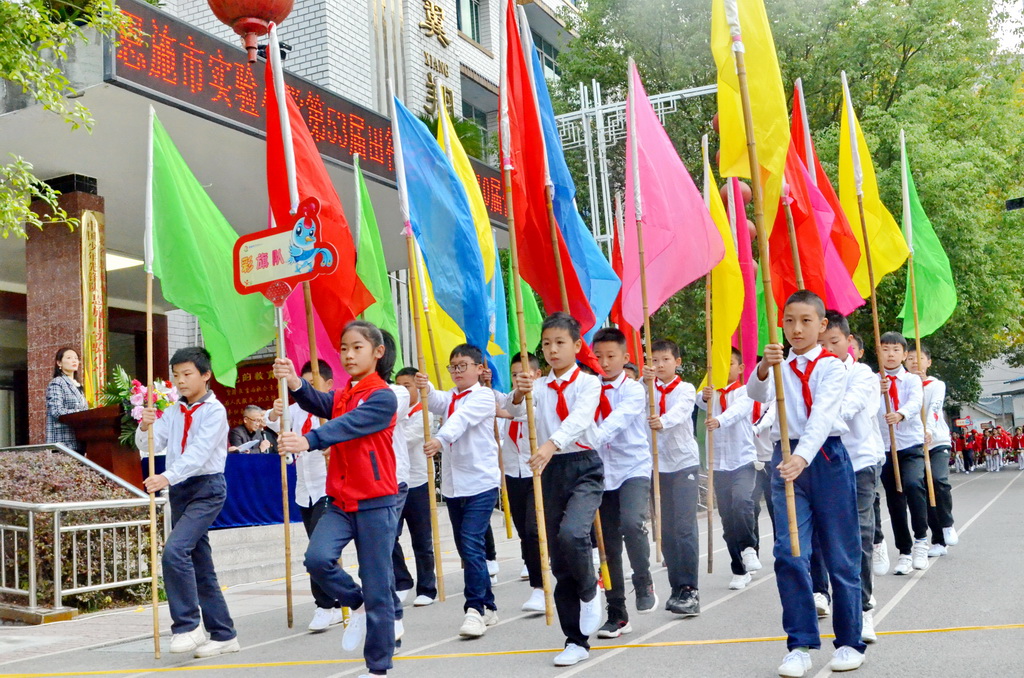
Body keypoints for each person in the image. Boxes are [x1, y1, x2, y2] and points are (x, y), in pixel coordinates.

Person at [746, 290, 865, 676]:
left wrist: (803, 457)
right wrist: (763, 367)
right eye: (789, 321)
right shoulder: (779, 363)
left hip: (825, 458)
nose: (796, 328)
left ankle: (849, 642)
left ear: (822, 325)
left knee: (840, 554)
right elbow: (756, 394)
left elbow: (823, 415)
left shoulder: (832, 366)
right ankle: (799, 644)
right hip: (786, 458)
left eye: (806, 321)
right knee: (789, 552)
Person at [275, 321, 399, 678]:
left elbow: (347, 424)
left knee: (378, 586)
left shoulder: (383, 396)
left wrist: (309, 440)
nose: (348, 355)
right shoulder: (345, 394)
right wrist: (294, 382)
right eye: (344, 348)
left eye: (357, 347)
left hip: (376, 501)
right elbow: (322, 402)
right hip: (340, 501)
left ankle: (378, 667)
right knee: (317, 559)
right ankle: (356, 604)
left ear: (377, 352)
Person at [506, 312, 604, 667]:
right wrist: (519, 393)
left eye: (560, 342)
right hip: (549, 473)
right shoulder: (538, 386)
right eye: (546, 343)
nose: (552, 350)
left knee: (573, 533)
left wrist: (551, 443)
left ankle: (590, 590)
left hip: (583, 466)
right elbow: (510, 411)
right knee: (557, 556)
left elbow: (579, 419)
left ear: (577, 346)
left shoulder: (589, 383)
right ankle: (575, 640)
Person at [136, 346, 239, 658]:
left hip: (206, 488)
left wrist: (166, 477)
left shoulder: (215, 412)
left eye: (187, 374)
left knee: (175, 551)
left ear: (205, 375)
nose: (180, 381)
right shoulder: (173, 411)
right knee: (200, 564)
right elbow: (148, 445)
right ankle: (224, 634)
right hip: (181, 491)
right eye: (176, 375)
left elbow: (199, 454)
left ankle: (188, 625)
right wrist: (145, 425)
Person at [416, 343, 500, 638]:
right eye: (453, 367)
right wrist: (425, 385)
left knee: (471, 542)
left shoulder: (484, 396)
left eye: (462, 366)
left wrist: (439, 439)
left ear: (479, 368)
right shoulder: (451, 396)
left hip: (481, 482)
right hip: (454, 486)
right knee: (467, 548)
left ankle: (474, 609)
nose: (457, 371)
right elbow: (435, 400)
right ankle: (488, 606)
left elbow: (459, 420)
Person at [820, 311, 885, 644]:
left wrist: (820, 421)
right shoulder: (811, 372)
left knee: (859, 537)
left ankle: (863, 609)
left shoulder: (862, 375)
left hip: (859, 463)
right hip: (823, 465)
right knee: (829, 539)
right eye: (822, 344)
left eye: (834, 342)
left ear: (849, 341)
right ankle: (822, 593)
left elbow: (853, 406)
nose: (828, 349)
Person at [265, 359, 343, 633]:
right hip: (305, 490)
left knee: (318, 551)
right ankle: (336, 600)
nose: (307, 388)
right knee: (316, 548)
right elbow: (270, 422)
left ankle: (326, 605)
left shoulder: (335, 409)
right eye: (304, 383)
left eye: (313, 383)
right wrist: (274, 413)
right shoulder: (295, 411)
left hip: (328, 488)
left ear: (329, 384)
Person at [590, 328, 655, 639]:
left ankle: (643, 579)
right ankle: (616, 613)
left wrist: (587, 437)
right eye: (598, 356)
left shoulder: (633, 390)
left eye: (611, 356)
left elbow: (617, 421)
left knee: (632, 522)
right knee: (607, 546)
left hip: (633, 467)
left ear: (625, 357)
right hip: (600, 474)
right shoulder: (587, 389)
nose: (604, 363)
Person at [699, 347, 761, 590]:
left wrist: (719, 420)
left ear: (740, 368)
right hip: (718, 464)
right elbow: (698, 401)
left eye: (730, 364)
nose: (725, 370)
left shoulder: (746, 392)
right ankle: (739, 569)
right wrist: (704, 397)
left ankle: (748, 547)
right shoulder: (711, 394)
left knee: (742, 502)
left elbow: (736, 413)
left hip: (742, 460)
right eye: (720, 366)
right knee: (727, 519)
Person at [647, 339, 701, 617]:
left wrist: (663, 421)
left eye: (665, 360)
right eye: (654, 360)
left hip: (683, 464)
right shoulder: (646, 389)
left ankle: (690, 589)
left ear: (677, 362)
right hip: (657, 466)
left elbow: (680, 412)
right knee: (666, 530)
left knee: (684, 527)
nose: (659, 365)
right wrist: (643, 383)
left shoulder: (686, 389)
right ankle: (676, 588)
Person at [876, 332, 929, 575]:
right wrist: (876, 392)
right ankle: (904, 551)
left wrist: (900, 414)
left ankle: (921, 540)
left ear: (904, 354)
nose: (890, 354)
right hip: (885, 447)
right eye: (885, 349)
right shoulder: (873, 380)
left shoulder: (911, 380)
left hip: (910, 444)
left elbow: (915, 402)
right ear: (879, 352)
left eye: (895, 350)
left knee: (913, 484)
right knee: (895, 499)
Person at [497, 353, 545, 613]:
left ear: (537, 374)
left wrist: (507, 412)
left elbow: (527, 414)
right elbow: (507, 409)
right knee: (523, 530)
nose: (518, 378)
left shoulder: (543, 397)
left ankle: (540, 587)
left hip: (536, 472)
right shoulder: (510, 399)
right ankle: (533, 563)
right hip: (513, 473)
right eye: (514, 374)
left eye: (523, 374)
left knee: (534, 528)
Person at [904, 347, 959, 558]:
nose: (915, 362)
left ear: (929, 362)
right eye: (910, 358)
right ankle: (938, 540)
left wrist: (928, 431)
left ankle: (947, 523)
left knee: (938, 479)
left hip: (937, 442)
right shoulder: (903, 385)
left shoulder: (936, 385)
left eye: (920, 358)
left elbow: (935, 409)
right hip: (914, 444)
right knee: (923, 490)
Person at [392, 367, 437, 607]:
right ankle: (402, 580)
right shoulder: (392, 412)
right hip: (395, 483)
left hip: (418, 482)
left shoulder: (424, 414)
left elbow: (405, 439)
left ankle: (427, 588)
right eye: (398, 385)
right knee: (390, 536)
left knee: (422, 540)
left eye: (407, 385)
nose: (402, 390)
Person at [750, 374, 777, 555]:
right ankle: (752, 550)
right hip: (749, 459)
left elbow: (770, 417)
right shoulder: (743, 394)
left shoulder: (775, 394)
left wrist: (754, 428)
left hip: (772, 459)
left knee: (776, 507)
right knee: (750, 507)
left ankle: (781, 549)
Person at [45, 347, 89, 452]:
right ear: (59, 363)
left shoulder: (78, 385)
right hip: (63, 442)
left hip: (79, 440)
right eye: (69, 358)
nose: (74, 361)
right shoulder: (57, 382)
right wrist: (82, 413)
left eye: (76, 358)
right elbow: (57, 411)